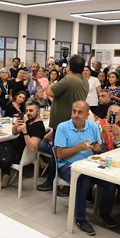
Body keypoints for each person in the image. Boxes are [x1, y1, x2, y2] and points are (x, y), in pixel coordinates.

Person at [54, 100, 117, 234]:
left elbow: (97, 147)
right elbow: (60, 154)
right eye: (74, 111)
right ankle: (80, 218)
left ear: (87, 115)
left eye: (80, 112)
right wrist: (80, 147)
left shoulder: (93, 127)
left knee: (111, 181)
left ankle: (104, 213)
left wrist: (97, 148)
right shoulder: (62, 127)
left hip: (89, 165)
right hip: (68, 165)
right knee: (83, 179)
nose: (76, 115)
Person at [38, 55, 89, 192]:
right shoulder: (84, 80)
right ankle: (66, 184)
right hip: (75, 122)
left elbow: (49, 91)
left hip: (62, 122)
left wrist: (55, 81)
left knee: (57, 153)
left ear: (69, 67)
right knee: (71, 153)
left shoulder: (68, 80)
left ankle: (51, 181)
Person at [1, 101, 46, 187]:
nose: (28, 113)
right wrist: (16, 125)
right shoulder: (29, 122)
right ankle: (6, 171)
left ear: (38, 111)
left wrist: (25, 132)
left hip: (20, 155)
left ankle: (6, 172)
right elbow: (14, 133)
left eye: (31, 111)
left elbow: (32, 148)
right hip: (15, 149)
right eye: (27, 111)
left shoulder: (39, 127)